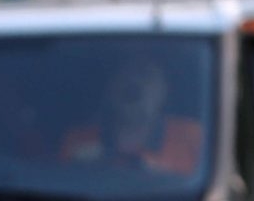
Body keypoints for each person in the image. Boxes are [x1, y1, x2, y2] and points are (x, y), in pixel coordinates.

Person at [59, 57, 202, 175]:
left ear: (164, 91)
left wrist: (159, 178)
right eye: (125, 77)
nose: (135, 85)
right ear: (109, 90)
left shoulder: (192, 138)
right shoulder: (78, 141)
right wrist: (79, 168)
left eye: (146, 76)